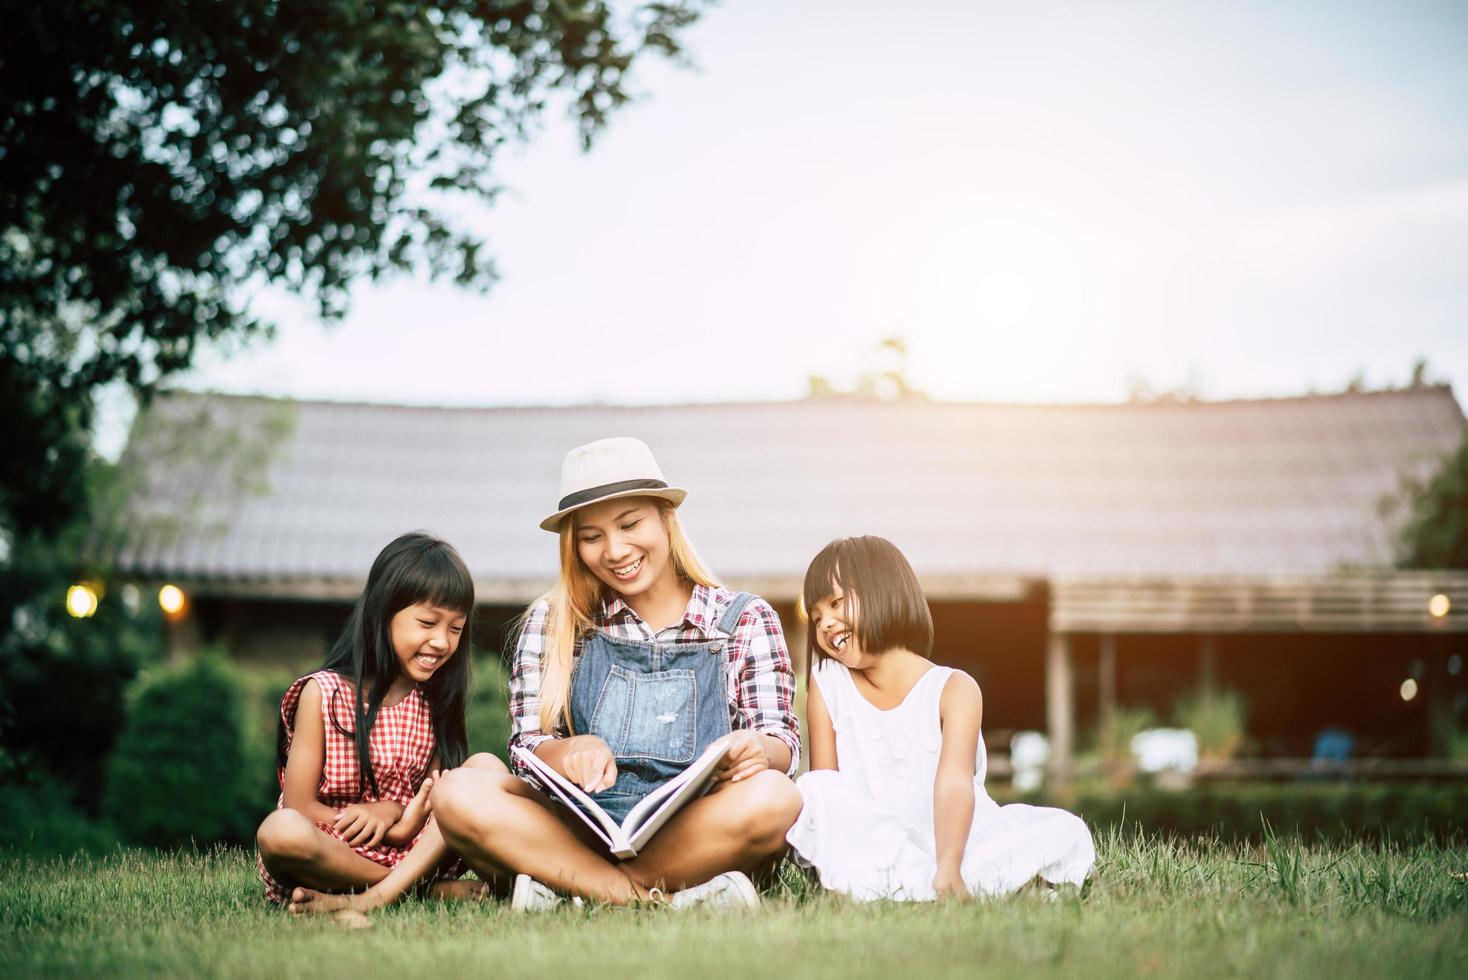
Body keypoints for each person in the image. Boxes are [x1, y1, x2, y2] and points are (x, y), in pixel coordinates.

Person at [426, 436, 804, 910]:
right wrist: (570, 749)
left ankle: (576, 891)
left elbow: (782, 743)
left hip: (695, 832)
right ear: (573, 545)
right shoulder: (552, 622)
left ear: (667, 519)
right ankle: (650, 899)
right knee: (460, 790)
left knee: (777, 796)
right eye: (592, 536)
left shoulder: (744, 619)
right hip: (578, 829)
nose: (615, 549)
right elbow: (526, 747)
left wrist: (755, 750)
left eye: (630, 524)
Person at [786, 535, 1095, 901]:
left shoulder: (955, 689)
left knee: (1065, 830)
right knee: (814, 789)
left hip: (955, 840)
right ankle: (903, 881)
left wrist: (948, 865)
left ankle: (940, 880)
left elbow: (953, 784)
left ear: (884, 591)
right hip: (876, 845)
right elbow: (830, 790)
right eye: (817, 616)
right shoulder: (827, 682)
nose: (825, 624)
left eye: (837, 603)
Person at [256, 531, 507, 908]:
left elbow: (433, 801)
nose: (442, 641)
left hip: (417, 850)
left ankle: (390, 890)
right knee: (279, 831)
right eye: (427, 623)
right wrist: (374, 823)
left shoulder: (434, 699)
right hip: (337, 848)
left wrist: (392, 814)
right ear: (383, 612)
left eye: (455, 628)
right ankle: (418, 890)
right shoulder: (323, 694)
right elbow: (299, 805)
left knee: (487, 767)